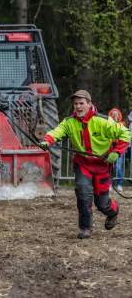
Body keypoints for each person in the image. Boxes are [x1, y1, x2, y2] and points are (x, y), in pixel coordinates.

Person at [40, 90, 131, 239]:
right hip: (83, 165)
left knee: (102, 204)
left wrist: (116, 153)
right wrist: (47, 141)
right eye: (76, 104)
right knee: (83, 195)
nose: (78, 106)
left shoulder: (103, 121)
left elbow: (126, 133)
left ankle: (113, 211)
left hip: (102, 166)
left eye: (81, 103)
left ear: (89, 104)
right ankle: (85, 228)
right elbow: (57, 131)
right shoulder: (69, 122)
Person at [108, 108, 126, 192]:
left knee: (118, 167)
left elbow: (123, 136)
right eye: (113, 115)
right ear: (110, 116)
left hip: (119, 148)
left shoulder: (122, 124)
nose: (115, 116)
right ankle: (109, 184)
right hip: (110, 148)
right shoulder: (107, 124)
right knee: (110, 167)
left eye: (116, 115)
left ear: (119, 116)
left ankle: (119, 184)